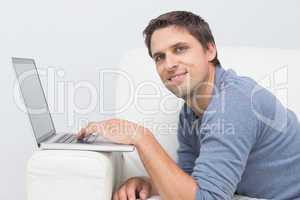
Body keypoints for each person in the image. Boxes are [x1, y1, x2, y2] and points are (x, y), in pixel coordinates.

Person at [77, 11, 300, 200]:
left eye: (180, 49)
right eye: (159, 57)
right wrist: (149, 183)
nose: (169, 64)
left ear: (210, 50)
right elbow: (191, 179)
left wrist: (140, 137)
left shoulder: (233, 103)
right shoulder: (191, 110)